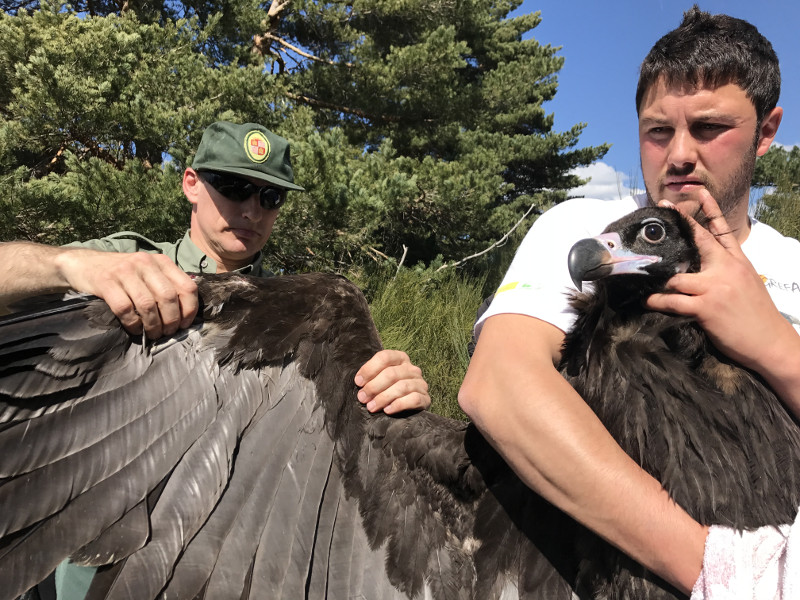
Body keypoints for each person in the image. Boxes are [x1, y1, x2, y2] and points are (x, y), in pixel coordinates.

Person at [0, 121, 431, 599]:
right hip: (71, 567)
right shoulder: (123, 263)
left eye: (271, 198)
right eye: (234, 187)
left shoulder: (311, 323)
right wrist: (67, 264)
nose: (251, 209)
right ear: (191, 184)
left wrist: (397, 404)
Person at [458, 6, 800, 599]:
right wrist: (719, 572)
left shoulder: (794, 266)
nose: (679, 155)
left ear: (766, 133)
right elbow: (498, 385)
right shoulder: (587, 229)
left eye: (710, 127)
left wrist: (774, 344)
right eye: (658, 130)